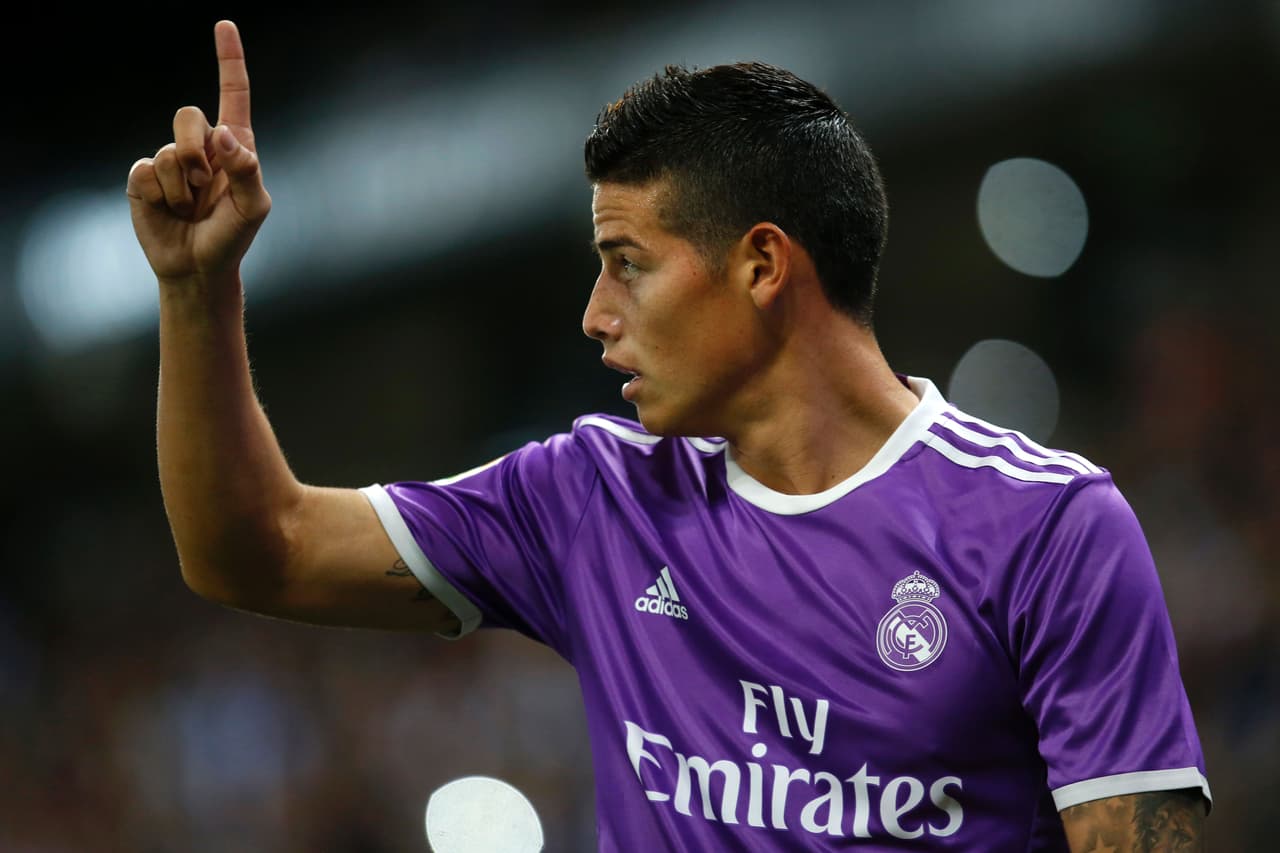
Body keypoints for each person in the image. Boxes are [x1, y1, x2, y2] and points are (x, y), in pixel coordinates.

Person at [126, 19, 1210, 851]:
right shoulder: (591, 500)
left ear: (759, 264)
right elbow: (251, 549)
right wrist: (197, 288)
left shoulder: (1045, 527)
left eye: (626, 262)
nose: (595, 314)